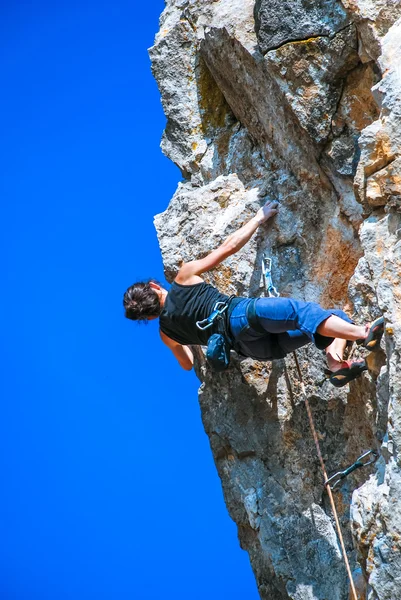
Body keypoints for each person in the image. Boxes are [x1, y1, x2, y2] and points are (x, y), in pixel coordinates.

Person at [123, 201, 384, 386]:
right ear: (155, 287)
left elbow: (187, 364)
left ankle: (336, 363)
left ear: (147, 315)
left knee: (333, 317)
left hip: (253, 348)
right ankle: (364, 333)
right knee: (302, 313)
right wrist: (259, 217)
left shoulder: (167, 335)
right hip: (242, 316)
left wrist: (190, 341)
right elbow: (227, 248)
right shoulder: (183, 277)